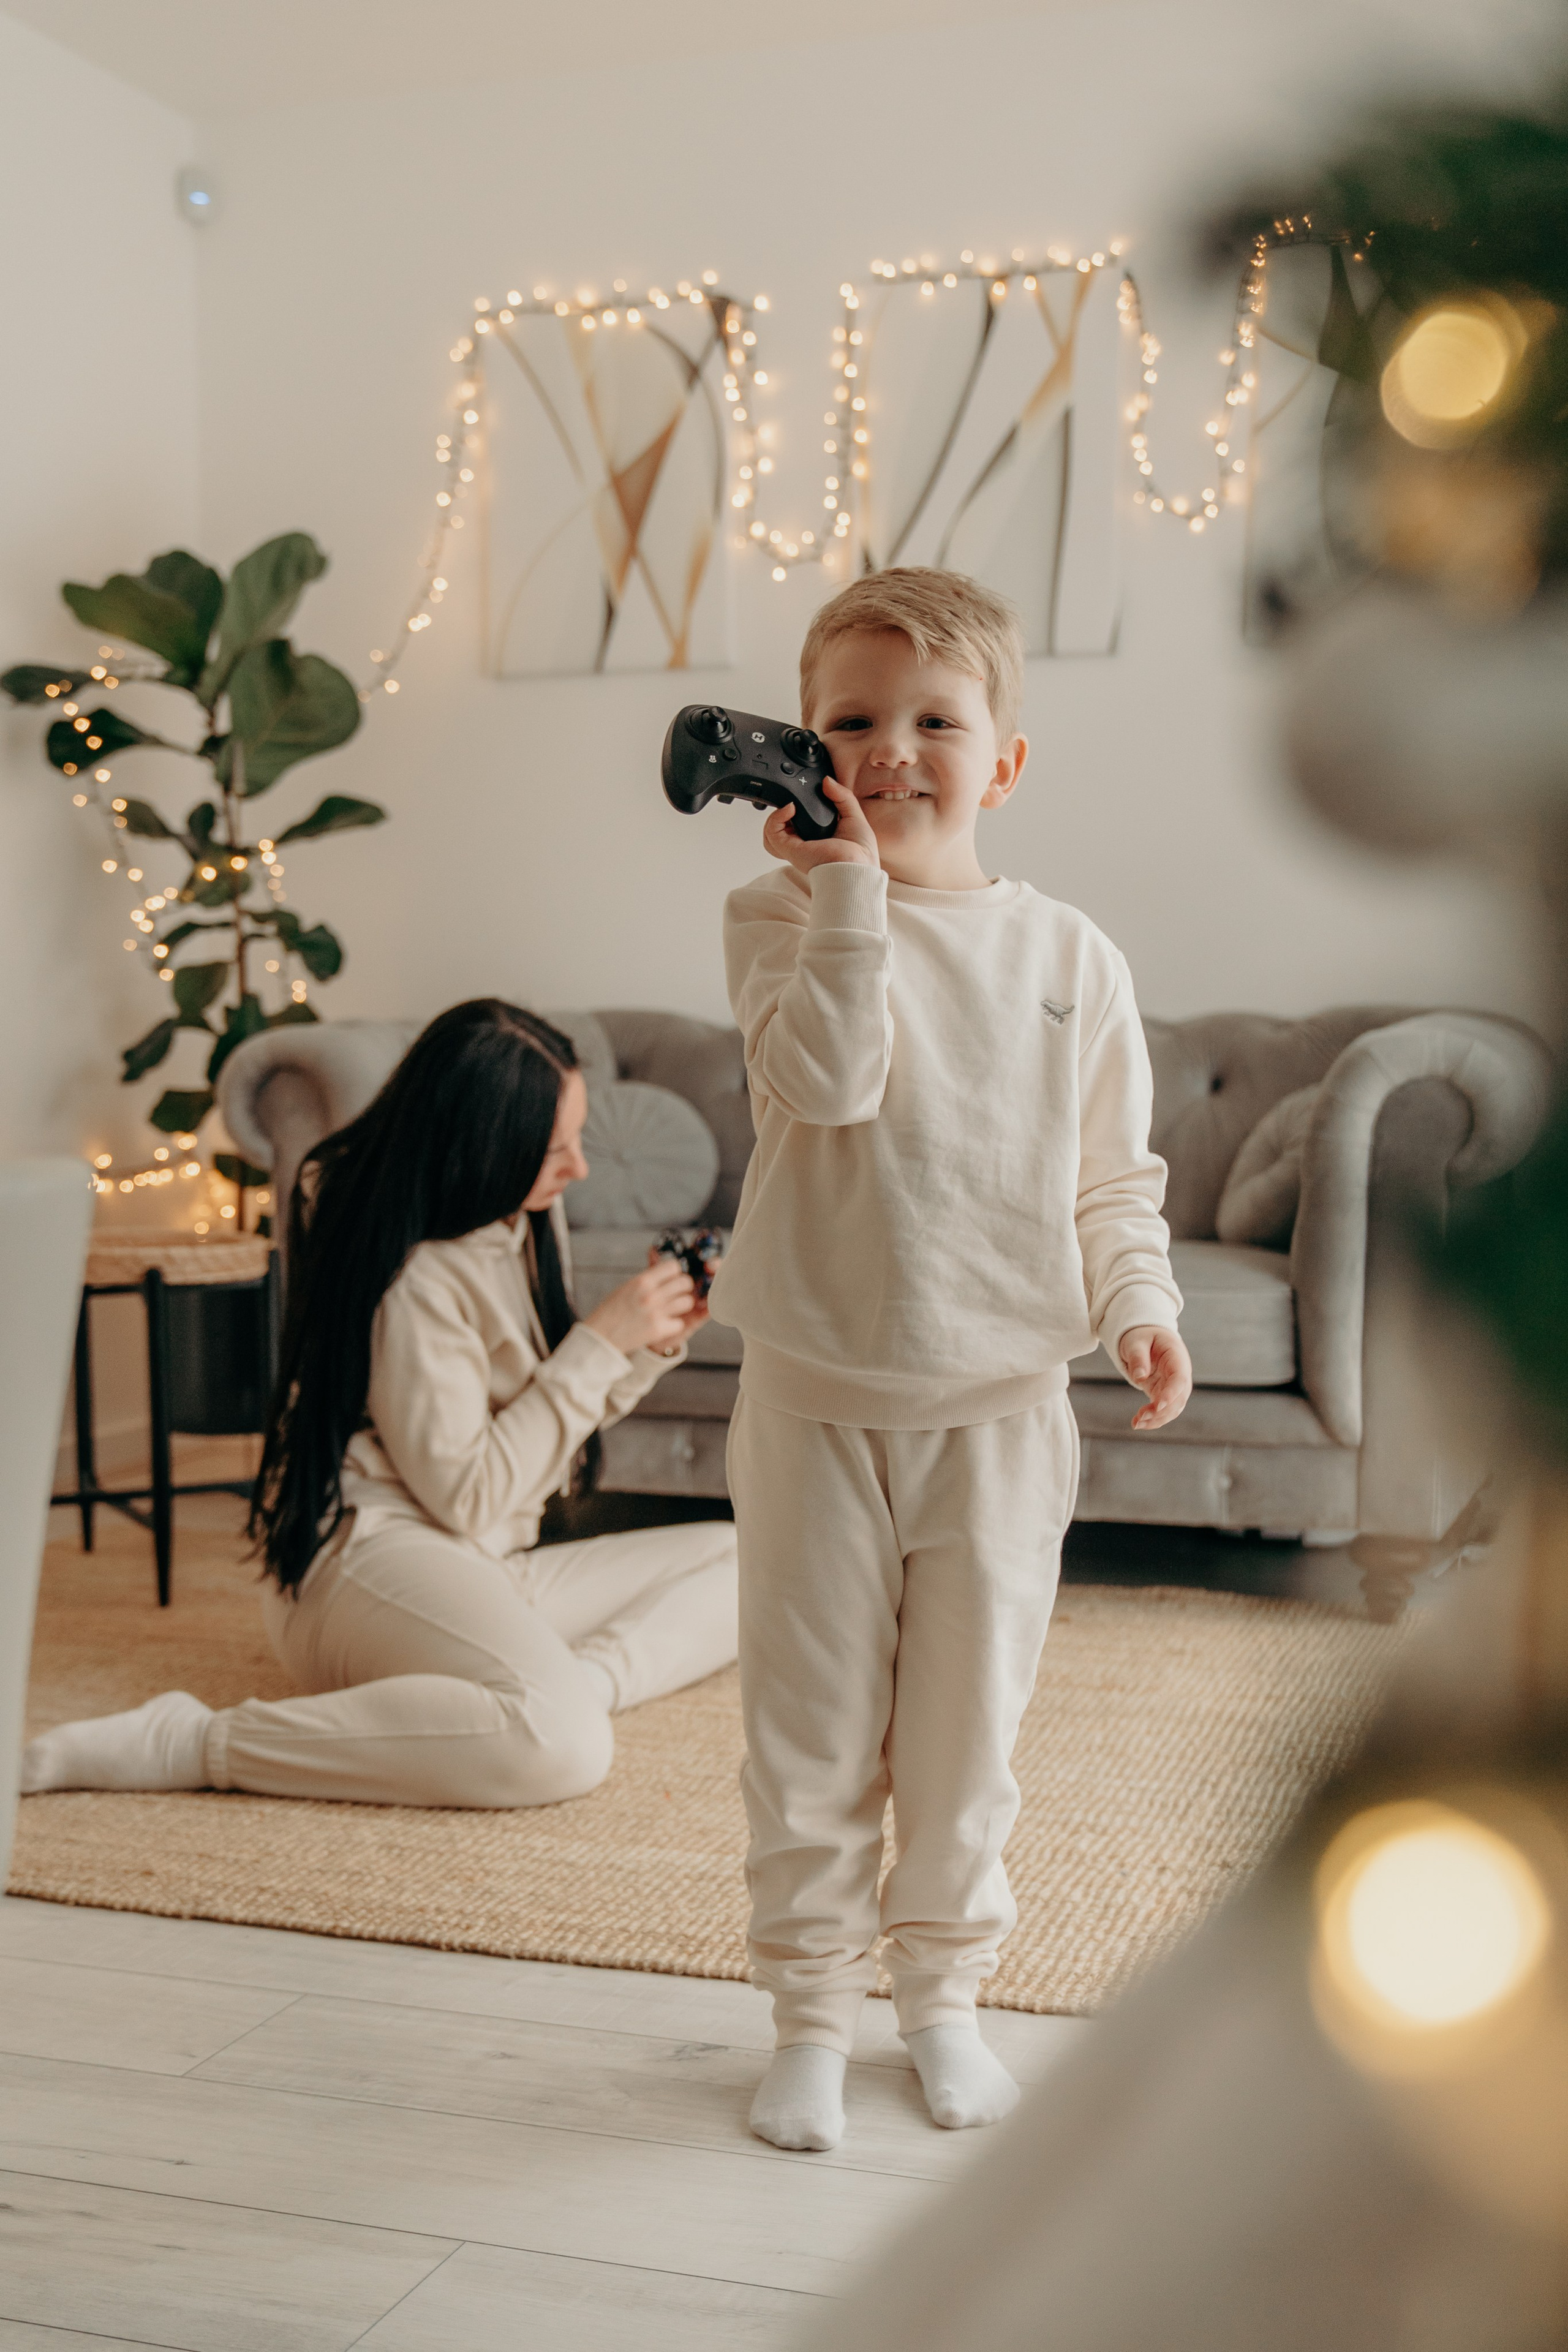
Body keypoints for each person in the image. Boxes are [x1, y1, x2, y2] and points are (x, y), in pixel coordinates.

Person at [707, 568, 1192, 2153]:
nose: (888, 751)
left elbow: (1111, 1174)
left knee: (965, 1736)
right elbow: (831, 1086)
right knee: (810, 1732)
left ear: (1005, 758)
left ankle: (941, 2006)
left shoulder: (1072, 956)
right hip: (815, 1399)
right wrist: (846, 897)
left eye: (934, 720)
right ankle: (805, 2015)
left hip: (997, 1411)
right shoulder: (777, 919)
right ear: (802, 749)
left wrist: (1139, 1302)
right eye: (848, 722)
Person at [24, 1001, 738, 1807]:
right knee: (563, 1748)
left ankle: (568, 1681)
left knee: (750, 1560)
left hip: (481, 1566)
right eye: (554, 1149)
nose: (577, 1169)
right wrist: (600, 1343)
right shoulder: (414, 1277)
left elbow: (538, 1434)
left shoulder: (518, 1222)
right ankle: (195, 1741)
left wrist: (644, 1344)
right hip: (368, 1564)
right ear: (484, 1149)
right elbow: (469, 1496)